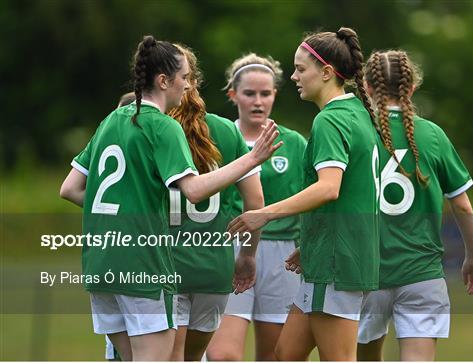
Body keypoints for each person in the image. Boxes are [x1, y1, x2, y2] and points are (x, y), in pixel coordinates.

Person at [59, 35, 281, 361]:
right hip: (144, 267)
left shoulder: (111, 121)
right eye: (184, 79)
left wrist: (128, 209)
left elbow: (71, 188)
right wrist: (251, 159)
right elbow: (193, 190)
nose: (188, 86)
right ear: (164, 81)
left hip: (101, 264)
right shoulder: (163, 126)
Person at [227, 27, 380, 361]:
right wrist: (311, 242)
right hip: (326, 257)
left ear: (326, 72)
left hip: (338, 263)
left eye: (300, 68)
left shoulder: (331, 120)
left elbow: (329, 188)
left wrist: (264, 213)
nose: (294, 76)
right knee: (284, 355)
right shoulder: (356, 113)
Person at [356, 50, 473, 361]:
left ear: (368, 88)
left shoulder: (355, 132)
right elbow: (463, 207)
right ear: (411, 87)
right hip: (422, 274)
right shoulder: (432, 135)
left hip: (364, 274)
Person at [166, 44, 265, 361]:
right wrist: (248, 255)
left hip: (164, 264)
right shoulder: (225, 129)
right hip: (214, 268)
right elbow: (255, 201)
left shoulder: (154, 128)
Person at [206, 53, 306, 361]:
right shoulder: (217, 139)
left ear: (275, 93)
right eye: (249, 93)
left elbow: (313, 199)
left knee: (275, 355)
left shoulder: (296, 143)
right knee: (223, 355)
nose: (258, 101)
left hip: (282, 254)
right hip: (230, 247)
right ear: (233, 94)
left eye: (266, 93)